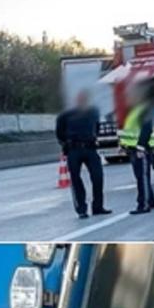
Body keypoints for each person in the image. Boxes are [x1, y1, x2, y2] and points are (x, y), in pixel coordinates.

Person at [55, 89, 111, 219]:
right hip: (74, 150)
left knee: (98, 177)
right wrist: (66, 144)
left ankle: (98, 207)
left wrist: (93, 137)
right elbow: (59, 133)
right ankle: (81, 209)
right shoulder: (65, 115)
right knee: (76, 180)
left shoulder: (93, 112)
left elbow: (96, 127)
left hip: (90, 148)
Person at [120, 84, 154, 215]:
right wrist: (124, 145)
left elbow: (146, 129)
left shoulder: (143, 109)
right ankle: (151, 200)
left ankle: (144, 204)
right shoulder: (136, 109)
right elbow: (130, 131)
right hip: (134, 148)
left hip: (141, 149)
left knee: (142, 177)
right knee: (142, 176)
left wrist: (141, 147)